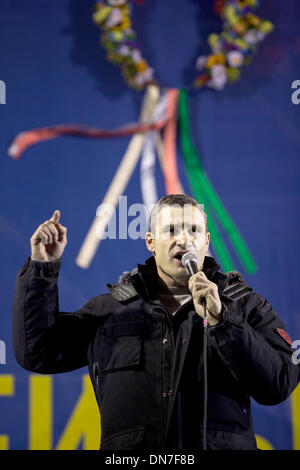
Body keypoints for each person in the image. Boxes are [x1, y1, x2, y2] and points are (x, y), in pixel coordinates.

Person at [12, 194, 299, 450]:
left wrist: (223, 321)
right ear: (150, 241)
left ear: (206, 242)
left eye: (193, 231)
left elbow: (278, 384)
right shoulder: (110, 309)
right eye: (171, 230)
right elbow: (37, 352)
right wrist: (42, 269)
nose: (183, 239)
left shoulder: (244, 305)